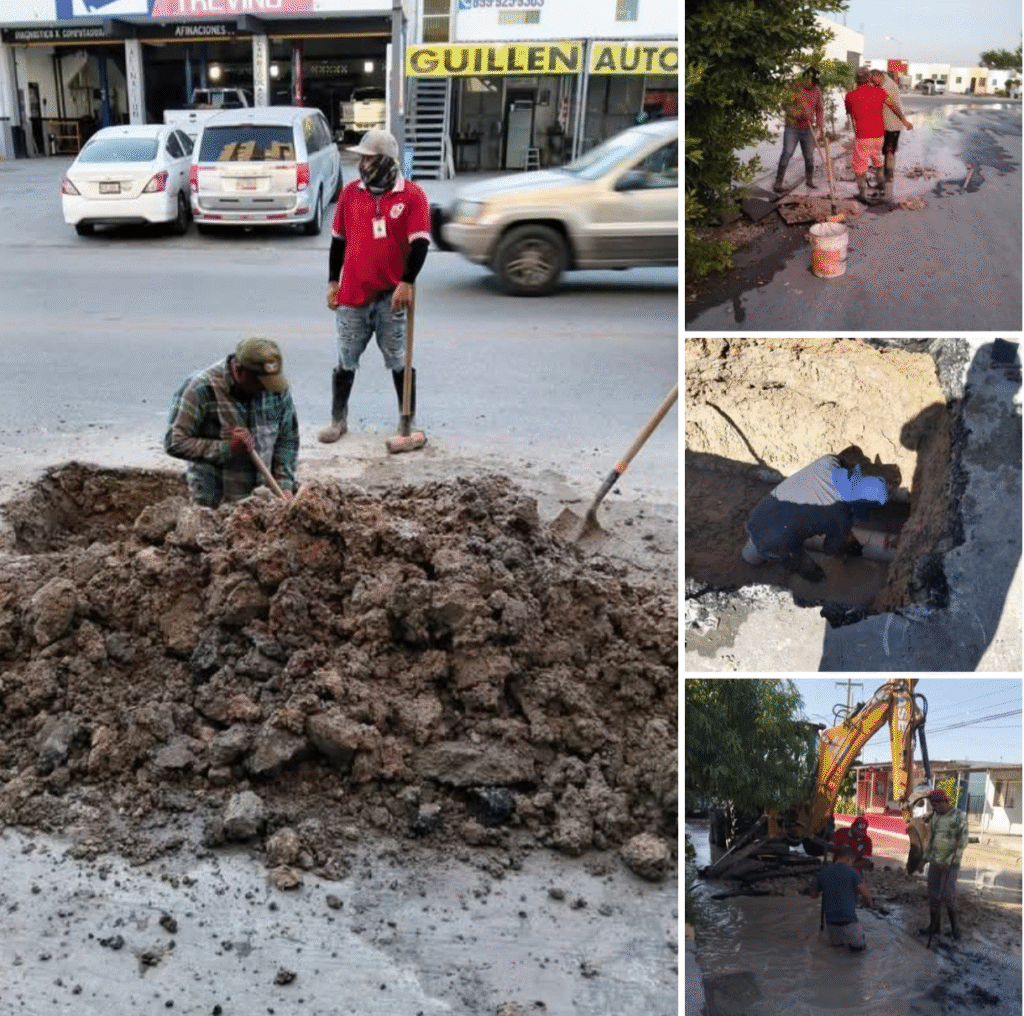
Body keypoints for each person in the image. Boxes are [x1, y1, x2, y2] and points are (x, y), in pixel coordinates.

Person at [320, 128, 432, 443]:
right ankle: (338, 420)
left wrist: (407, 282)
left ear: (383, 161)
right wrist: (332, 281)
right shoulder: (351, 194)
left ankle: (406, 423)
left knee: (400, 360)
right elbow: (338, 242)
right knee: (346, 359)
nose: (362, 164)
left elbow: (420, 244)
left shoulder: (411, 196)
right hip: (353, 295)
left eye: (368, 158)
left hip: (391, 298)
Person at [165, 337, 298, 507]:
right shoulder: (202, 388)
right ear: (240, 371)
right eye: (260, 382)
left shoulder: (276, 389)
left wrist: (284, 485)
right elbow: (174, 442)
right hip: (216, 504)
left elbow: (287, 438)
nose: (266, 389)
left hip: (262, 504)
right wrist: (228, 448)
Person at [741, 448, 890, 583]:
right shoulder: (840, 514)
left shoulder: (829, 461)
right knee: (809, 570)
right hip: (772, 543)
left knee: (795, 525)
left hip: (760, 512)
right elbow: (831, 549)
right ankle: (817, 580)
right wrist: (847, 544)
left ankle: (759, 550)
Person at [845, 67, 913, 202]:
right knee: (877, 159)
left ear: (856, 80)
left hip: (863, 136)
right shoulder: (880, 92)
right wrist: (904, 120)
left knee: (860, 165)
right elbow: (893, 106)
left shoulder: (850, 95)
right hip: (879, 135)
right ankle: (882, 185)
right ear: (868, 78)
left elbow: (848, 110)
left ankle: (863, 194)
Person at [918, 788, 968, 941]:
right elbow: (931, 840)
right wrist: (924, 859)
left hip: (950, 864)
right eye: (932, 805)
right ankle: (934, 926)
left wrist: (948, 862)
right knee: (932, 894)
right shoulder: (935, 817)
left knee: (947, 894)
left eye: (936, 805)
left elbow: (962, 843)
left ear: (944, 802)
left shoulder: (959, 817)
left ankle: (955, 929)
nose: (934, 808)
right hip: (935, 861)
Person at [810, 844, 873, 952]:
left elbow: (814, 895)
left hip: (831, 921)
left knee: (838, 950)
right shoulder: (854, 872)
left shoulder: (823, 873)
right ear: (849, 859)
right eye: (852, 862)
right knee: (859, 950)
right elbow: (866, 895)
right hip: (848, 919)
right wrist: (869, 904)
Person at [773, 68, 825, 193]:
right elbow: (785, 105)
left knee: (809, 155)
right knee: (787, 153)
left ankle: (809, 180)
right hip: (792, 127)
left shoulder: (816, 91)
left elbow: (820, 109)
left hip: (808, 129)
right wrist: (798, 114)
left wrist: (819, 125)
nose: (810, 84)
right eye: (807, 80)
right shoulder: (794, 88)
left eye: (812, 81)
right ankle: (778, 183)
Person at [870, 68, 910, 203]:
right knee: (883, 152)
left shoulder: (888, 85)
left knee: (889, 152)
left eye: (872, 79)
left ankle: (889, 180)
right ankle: (885, 179)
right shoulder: (881, 84)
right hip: (884, 125)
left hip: (892, 125)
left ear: (878, 76)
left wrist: (904, 121)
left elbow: (892, 106)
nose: (871, 82)